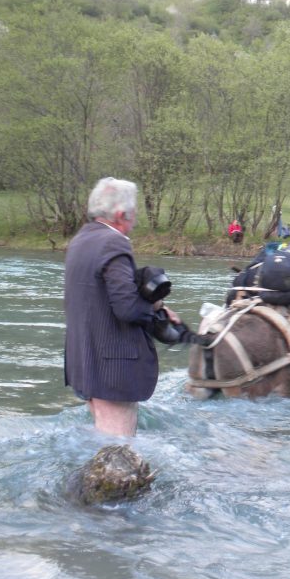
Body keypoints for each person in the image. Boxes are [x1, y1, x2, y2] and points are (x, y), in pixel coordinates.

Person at [64, 177, 180, 437]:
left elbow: (101, 298)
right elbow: (127, 308)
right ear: (120, 214)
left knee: (101, 445)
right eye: (134, 213)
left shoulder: (80, 240)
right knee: (119, 452)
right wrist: (158, 307)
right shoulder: (113, 243)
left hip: (84, 362)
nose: (136, 220)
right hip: (111, 370)